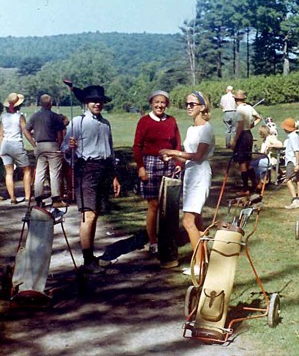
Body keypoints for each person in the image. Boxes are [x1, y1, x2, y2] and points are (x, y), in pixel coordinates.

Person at [62, 85, 121, 273]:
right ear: (86, 103)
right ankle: (88, 261)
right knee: (89, 215)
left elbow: (110, 151)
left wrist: (114, 175)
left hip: (104, 169)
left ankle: (91, 257)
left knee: (96, 214)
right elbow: (65, 151)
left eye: (100, 101)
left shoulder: (105, 124)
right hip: (86, 169)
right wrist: (70, 148)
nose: (97, 104)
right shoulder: (78, 122)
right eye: (93, 101)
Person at [159, 91, 215, 275]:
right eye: (187, 104)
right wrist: (173, 158)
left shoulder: (206, 129)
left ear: (202, 107)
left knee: (188, 221)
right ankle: (205, 260)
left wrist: (174, 152)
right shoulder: (191, 129)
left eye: (193, 104)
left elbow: (198, 156)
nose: (189, 107)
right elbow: (188, 156)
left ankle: (198, 265)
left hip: (200, 174)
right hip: (190, 174)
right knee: (197, 221)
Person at [132, 90, 182, 266]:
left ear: (166, 104)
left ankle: (167, 240)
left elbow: (177, 144)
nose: (160, 105)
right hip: (150, 164)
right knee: (153, 204)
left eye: (163, 102)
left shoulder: (171, 121)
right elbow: (137, 146)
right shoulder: (144, 121)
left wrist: (178, 163)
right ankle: (153, 241)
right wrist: (141, 167)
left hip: (169, 163)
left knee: (169, 205)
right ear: (151, 104)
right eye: (157, 102)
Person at [26, 94, 66, 208]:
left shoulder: (34, 116)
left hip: (39, 145)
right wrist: (59, 145)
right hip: (52, 144)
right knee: (54, 172)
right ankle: (56, 198)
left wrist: (33, 143)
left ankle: (38, 198)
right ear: (51, 104)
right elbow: (60, 134)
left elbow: (26, 130)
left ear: (40, 104)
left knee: (40, 172)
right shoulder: (55, 116)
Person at [0, 92, 34, 204]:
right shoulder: (20, 116)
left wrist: (1, 149)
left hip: (5, 145)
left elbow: (1, 135)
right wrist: (34, 144)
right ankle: (27, 196)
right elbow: (25, 131)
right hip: (16, 144)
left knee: (9, 172)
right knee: (26, 170)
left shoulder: (3, 117)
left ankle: (12, 197)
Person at [232, 90, 262, 196]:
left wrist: (234, 141)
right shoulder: (249, 107)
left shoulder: (239, 110)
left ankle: (245, 189)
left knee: (242, 163)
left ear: (235, 99)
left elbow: (240, 126)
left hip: (242, 136)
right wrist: (250, 126)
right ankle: (256, 184)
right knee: (248, 162)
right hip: (248, 134)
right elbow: (259, 118)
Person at [281, 117, 299, 209]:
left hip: (292, 161)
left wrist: (297, 164)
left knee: (288, 180)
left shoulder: (292, 137)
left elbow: (296, 151)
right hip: (295, 160)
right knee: (298, 180)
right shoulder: (295, 136)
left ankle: (295, 200)